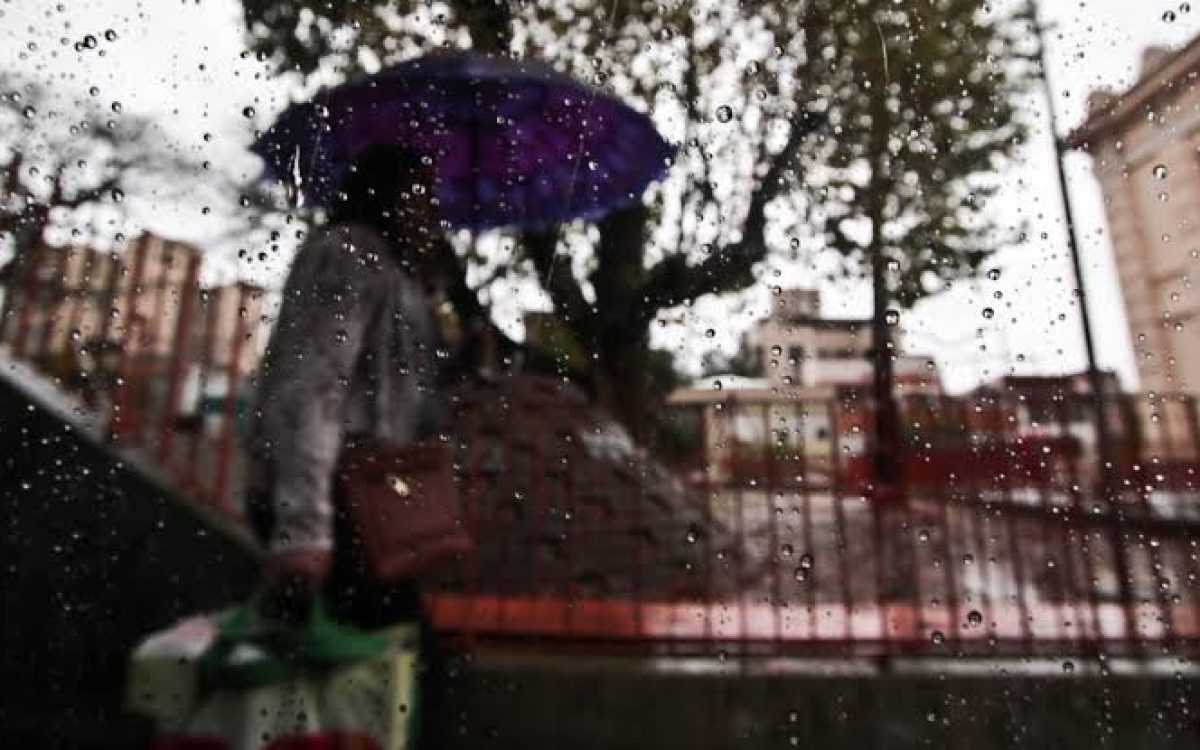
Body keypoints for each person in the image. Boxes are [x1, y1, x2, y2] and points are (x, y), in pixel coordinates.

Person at [244, 143, 452, 749]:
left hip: (365, 499)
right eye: (416, 193)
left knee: (376, 672)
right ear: (382, 194)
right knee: (391, 672)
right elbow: (309, 389)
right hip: (335, 497)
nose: (428, 210)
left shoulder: (393, 270)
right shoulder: (347, 252)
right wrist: (304, 529)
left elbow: (396, 390)